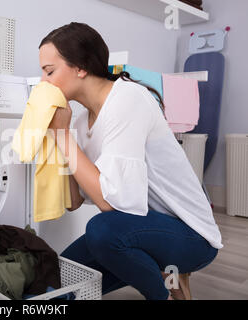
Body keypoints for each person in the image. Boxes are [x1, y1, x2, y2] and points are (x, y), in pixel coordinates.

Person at [39, 22, 223, 300]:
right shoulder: (77, 121)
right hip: (137, 229)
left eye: (49, 71)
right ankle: (156, 271)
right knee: (53, 283)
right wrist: (57, 140)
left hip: (191, 236)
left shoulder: (128, 99)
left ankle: (161, 290)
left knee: (101, 230)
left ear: (80, 68)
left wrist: (64, 137)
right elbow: (73, 202)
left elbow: (111, 204)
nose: (44, 82)